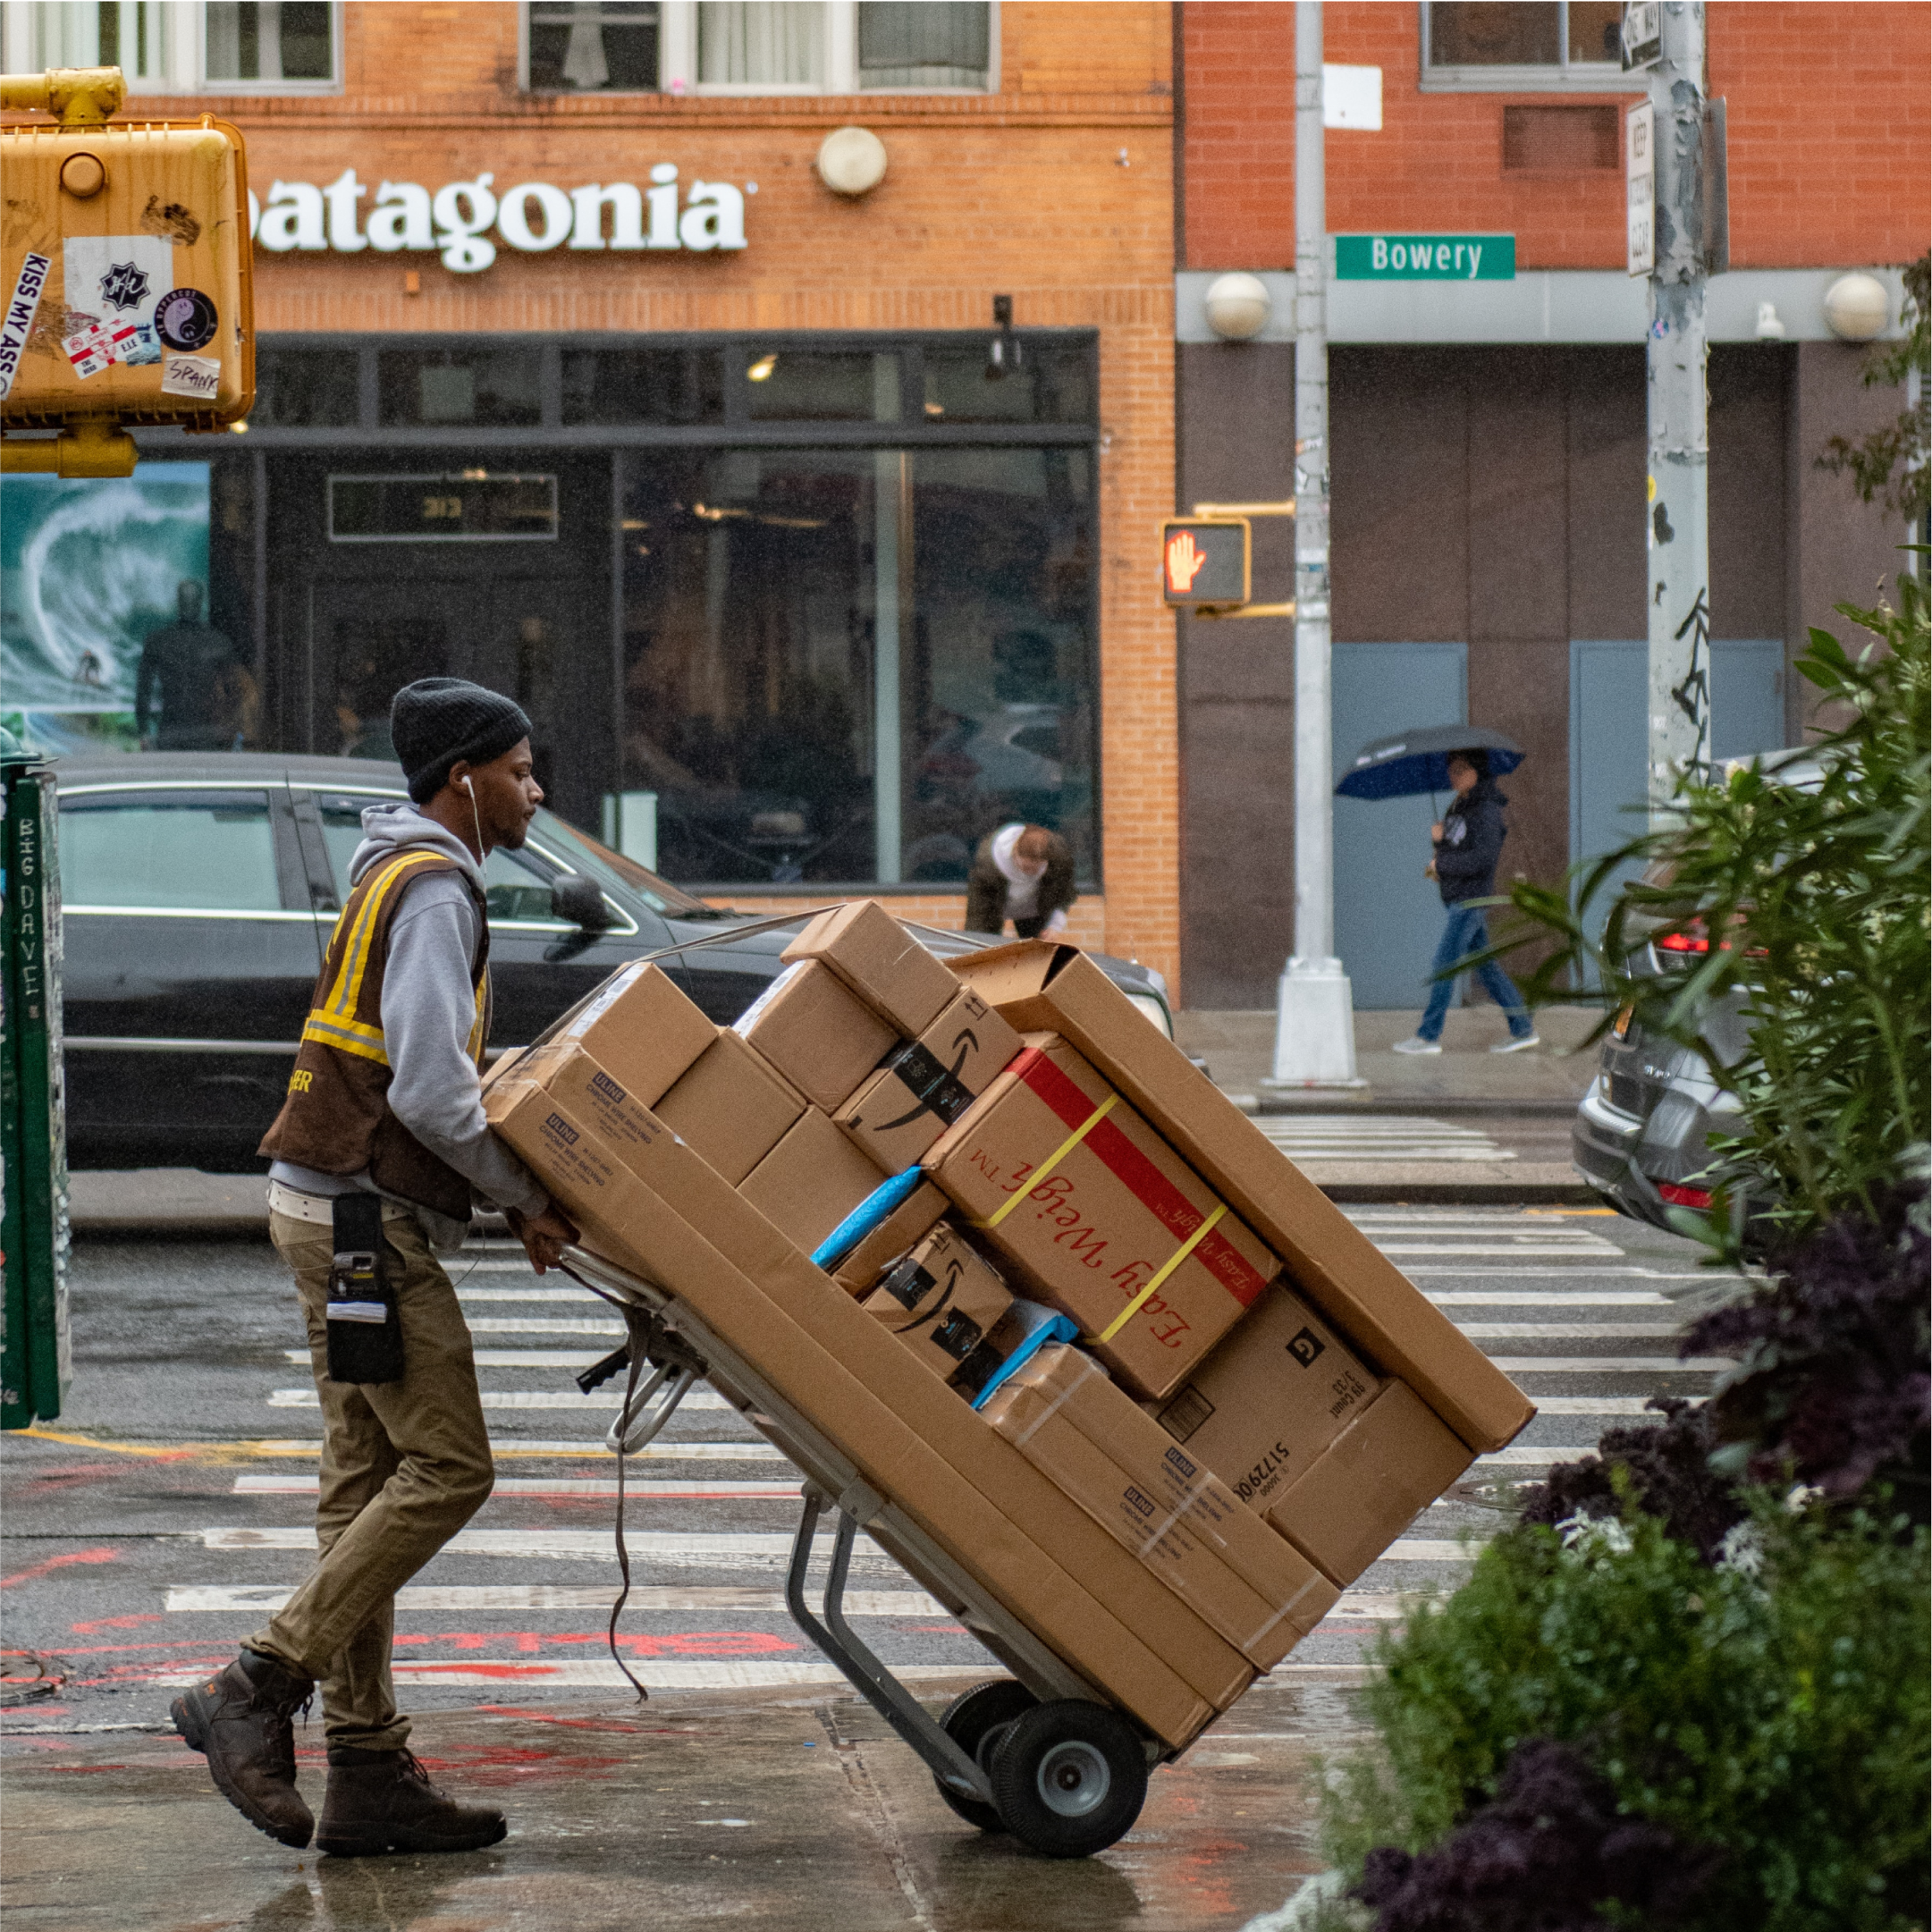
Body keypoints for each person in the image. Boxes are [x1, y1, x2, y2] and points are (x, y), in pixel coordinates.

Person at [171, 678, 578, 1857]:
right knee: (449, 1468)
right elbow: (435, 1091)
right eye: (518, 767)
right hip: (366, 1222)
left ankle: (367, 1771)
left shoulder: (387, 868)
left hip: (323, 1208)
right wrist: (528, 1198)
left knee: (363, 1483)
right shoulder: (439, 890)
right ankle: (255, 1683)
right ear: (463, 777)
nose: (534, 788)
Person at [1392, 749, 1540, 1055]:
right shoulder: (1460, 804)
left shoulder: (1486, 810)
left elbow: (1482, 859)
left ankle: (1427, 1036)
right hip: (1457, 896)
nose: (1453, 776)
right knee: (1487, 968)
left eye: (1460, 769)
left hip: (1471, 900)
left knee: (1443, 966)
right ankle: (1523, 1028)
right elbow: (1455, 848)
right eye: (1451, 770)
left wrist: (1441, 865)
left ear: (1477, 770)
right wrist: (1438, 842)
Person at [136, 580, 252, 750]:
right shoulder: (218, 643)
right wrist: (237, 733)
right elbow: (237, 694)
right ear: (201, 603)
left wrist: (143, 731)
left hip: (174, 731)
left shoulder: (158, 641)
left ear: (178, 603)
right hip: (205, 733)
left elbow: (143, 691)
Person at [965, 822, 1076, 939]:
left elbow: (1065, 895)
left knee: (1037, 950)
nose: (1030, 873)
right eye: (1026, 868)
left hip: (1036, 910)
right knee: (983, 942)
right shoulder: (987, 866)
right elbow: (978, 918)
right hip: (993, 906)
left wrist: (1054, 926)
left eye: (1037, 868)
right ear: (1014, 852)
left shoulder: (1059, 860)